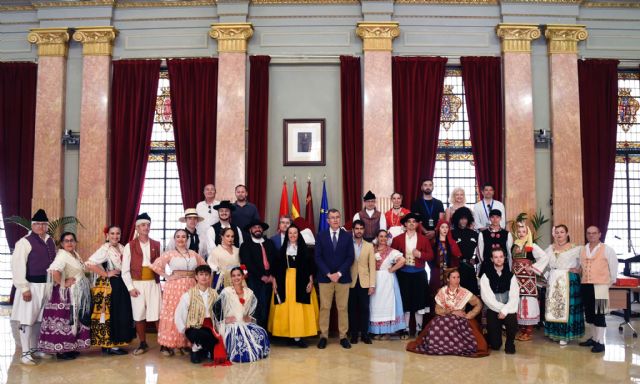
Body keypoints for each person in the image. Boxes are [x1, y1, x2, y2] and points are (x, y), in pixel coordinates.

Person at [10, 209, 56, 365]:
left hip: (47, 286)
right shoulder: (24, 242)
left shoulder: (50, 240)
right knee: (26, 319)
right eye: (37, 224)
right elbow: (17, 266)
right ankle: (25, 353)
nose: (41, 227)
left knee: (40, 319)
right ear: (32, 225)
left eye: (43, 224)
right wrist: (24, 288)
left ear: (47, 225)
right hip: (31, 286)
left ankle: (36, 348)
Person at [407, 269, 488, 357]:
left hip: (460, 319)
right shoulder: (442, 291)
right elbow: (438, 310)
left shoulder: (464, 292)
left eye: (458, 277)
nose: (457, 280)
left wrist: (469, 315)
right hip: (444, 317)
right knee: (438, 323)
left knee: (462, 328)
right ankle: (438, 346)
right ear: (448, 279)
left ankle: (458, 347)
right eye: (454, 277)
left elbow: (478, 303)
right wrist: (452, 312)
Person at [151, 229, 206, 356]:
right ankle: (167, 345)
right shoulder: (169, 254)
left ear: (187, 239)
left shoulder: (193, 254)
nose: (181, 239)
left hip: (192, 286)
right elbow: (155, 266)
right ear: (174, 239)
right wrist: (167, 276)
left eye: (183, 237)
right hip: (174, 287)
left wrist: (199, 280)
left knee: (188, 314)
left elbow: (204, 266)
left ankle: (184, 343)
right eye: (178, 237)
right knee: (172, 313)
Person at [38, 232, 91, 360]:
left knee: (73, 321)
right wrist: (63, 283)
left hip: (76, 292)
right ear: (62, 244)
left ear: (75, 242)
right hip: (65, 295)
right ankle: (61, 351)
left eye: (72, 240)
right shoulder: (62, 256)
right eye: (66, 241)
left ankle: (70, 348)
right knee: (66, 321)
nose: (69, 243)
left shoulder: (74, 254)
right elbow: (53, 271)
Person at [85, 225, 135, 355]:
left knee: (120, 313)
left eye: (117, 233)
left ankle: (116, 343)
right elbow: (89, 263)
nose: (115, 236)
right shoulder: (105, 249)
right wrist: (106, 274)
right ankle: (110, 344)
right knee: (112, 313)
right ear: (107, 235)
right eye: (112, 233)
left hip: (121, 283)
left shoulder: (122, 247)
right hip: (111, 284)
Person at [269, 225, 319, 347]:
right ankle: (289, 335)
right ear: (287, 235)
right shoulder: (282, 250)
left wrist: (311, 281)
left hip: (301, 282)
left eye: (295, 233)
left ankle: (298, 336)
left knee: (299, 309)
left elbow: (310, 267)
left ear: (298, 234)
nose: (292, 235)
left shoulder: (304, 250)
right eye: (290, 233)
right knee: (286, 309)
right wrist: (274, 283)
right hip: (284, 282)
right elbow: (275, 269)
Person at [121, 213, 162, 355]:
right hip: (137, 284)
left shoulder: (157, 244)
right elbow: (125, 270)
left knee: (157, 313)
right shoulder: (129, 246)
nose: (146, 227)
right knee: (139, 314)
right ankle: (142, 343)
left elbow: (161, 266)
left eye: (148, 225)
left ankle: (164, 344)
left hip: (153, 283)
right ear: (137, 227)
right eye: (143, 225)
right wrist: (130, 288)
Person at [315, 209, 355, 349]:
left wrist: (338, 273)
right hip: (325, 278)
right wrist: (328, 273)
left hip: (342, 278)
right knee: (325, 308)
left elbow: (350, 257)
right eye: (332, 218)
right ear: (327, 220)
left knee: (342, 308)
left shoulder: (347, 236)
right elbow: (318, 257)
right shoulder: (320, 236)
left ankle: (343, 337)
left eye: (337, 217)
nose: (335, 220)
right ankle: (323, 336)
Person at [215, 266, 270, 363]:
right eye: (233, 276)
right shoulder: (226, 292)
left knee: (261, 332)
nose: (236, 278)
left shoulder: (249, 292)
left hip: (244, 323)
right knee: (241, 342)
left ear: (243, 276)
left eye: (239, 275)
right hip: (231, 325)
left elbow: (255, 308)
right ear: (231, 278)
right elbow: (215, 308)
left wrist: (250, 317)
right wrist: (224, 319)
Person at [391, 212, 433, 337]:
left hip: (419, 274)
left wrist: (420, 255)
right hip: (403, 274)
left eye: (414, 222)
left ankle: (419, 329)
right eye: (409, 222)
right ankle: (406, 329)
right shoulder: (397, 239)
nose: (411, 224)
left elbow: (431, 255)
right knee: (406, 301)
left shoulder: (423, 239)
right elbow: (392, 256)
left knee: (419, 301)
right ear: (405, 224)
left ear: (417, 224)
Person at [578, 226, 618, 353]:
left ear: (599, 234)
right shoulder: (583, 249)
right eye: (588, 233)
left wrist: (607, 284)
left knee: (599, 314)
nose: (591, 235)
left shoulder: (607, 249)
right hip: (586, 285)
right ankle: (594, 338)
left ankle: (600, 342)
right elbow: (581, 267)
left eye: (594, 233)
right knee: (589, 314)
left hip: (601, 286)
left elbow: (613, 268)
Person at [544, 224, 584, 346]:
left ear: (567, 234)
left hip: (568, 279)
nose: (559, 234)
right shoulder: (550, 248)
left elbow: (585, 262)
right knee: (554, 306)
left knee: (567, 308)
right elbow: (544, 262)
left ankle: (565, 335)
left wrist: (579, 270)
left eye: (562, 232)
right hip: (554, 279)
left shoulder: (575, 247)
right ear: (554, 234)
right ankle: (555, 333)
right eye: (557, 232)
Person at [175, 264, 221, 364]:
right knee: (197, 334)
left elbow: (219, 313)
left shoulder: (215, 294)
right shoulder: (188, 294)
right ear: (196, 277)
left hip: (210, 327)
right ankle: (196, 347)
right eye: (201, 274)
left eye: (207, 275)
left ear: (210, 277)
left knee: (216, 354)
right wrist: (184, 330)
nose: (204, 277)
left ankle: (203, 347)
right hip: (194, 327)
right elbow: (179, 313)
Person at [510, 222, 548, 342]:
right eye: (519, 232)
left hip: (528, 279)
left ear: (528, 233)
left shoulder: (532, 245)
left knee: (528, 301)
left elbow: (544, 257)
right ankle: (522, 330)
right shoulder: (515, 245)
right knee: (518, 302)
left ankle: (529, 331)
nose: (521, 234)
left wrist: (533, 267)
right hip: (516, 278)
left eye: (524, 232)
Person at [480, 248, 519, 355]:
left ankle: (510, 343)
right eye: (496, 257)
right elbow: (487, 298)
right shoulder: (486, 275)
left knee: (512, 321)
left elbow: (514, 296)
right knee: (496, 345)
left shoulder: (511, 276)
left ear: (504, 258)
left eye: (501, 257)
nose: (499, 259)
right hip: (492, 309)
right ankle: (491, 337)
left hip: (508, 308)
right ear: (492, 259)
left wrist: (505, 310)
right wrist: (501, 309)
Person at [239, 219, 276, 329]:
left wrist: (272, 275)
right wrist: (261, 276)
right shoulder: (246, 245)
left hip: (270, 280)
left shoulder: (269, 243)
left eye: (259, 227)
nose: (257, 229)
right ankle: (258, 331)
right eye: (255, 228)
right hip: (254, 280)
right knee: (257, 306)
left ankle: (267, 331)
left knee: (269, 305)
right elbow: (247, 264)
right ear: (250, 230)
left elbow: (275, 260)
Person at [369, 229, 406, 339]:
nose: (383, 239)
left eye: (385, 236)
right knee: (375, 305)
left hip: (387, 281)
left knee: (387, 305)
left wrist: (392, 269)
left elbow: (402, 260)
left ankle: (387, 332)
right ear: (377, 237)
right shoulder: (372, 249)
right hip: (375, 280)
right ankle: (377, 331)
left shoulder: (391, 251)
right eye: (381, 236)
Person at [348, 220, 376, 344]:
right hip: (350, 282)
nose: (359, 231)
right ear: (353, 230)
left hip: (365, 282)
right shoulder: (347, 243)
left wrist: (372, 284)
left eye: (361, 229)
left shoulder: (369, 246)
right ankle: (354, 335)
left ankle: (365, 334)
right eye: (357, 228)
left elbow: (372, 267)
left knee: (365, 309)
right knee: (352, 309)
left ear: (364, 230)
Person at [451, 207, 479, 295]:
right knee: (457, 293)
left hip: (469, 267)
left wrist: (476, 260)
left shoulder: (474, 234)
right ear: (457, 219)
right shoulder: (452, 233)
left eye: (465, 219)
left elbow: (482, 249)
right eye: (461, 219)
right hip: (456, 267)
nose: (463, 221)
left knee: (471, 294)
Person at [430, 219, 462, 294]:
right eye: (442, 227)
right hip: (436, 271)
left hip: (449, 272)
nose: (445, 229)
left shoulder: (452, 242)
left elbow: (457, 257)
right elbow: (430, 257)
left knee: (449, 292)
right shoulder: (433, 241)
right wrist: (434, 267)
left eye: (447, 227)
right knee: (435, 291)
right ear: (438, 229)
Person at [478, 209, 513, 277]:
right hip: (487, 265)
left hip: (503, 266)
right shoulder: (482, 234)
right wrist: (485, 262)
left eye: (497, 217)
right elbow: (480, 251)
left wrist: (509, 266)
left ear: (500, 218)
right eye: (492, 217)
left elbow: (509, 252)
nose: (495, 219)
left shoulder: (507, 234)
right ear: (489, 218)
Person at [196, 184, 221, 251]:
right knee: (201, 259)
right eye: (207, 189)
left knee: (214, 258)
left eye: (212, 189)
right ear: (204, 192)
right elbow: (196, 220)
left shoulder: (219, 205)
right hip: (201, 237)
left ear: (215, 192)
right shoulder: (199, 205)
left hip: (216, 236)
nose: (210, 191)